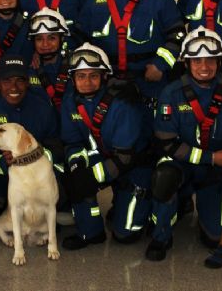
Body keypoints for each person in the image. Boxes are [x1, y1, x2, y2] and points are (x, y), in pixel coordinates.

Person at [144, 26, 222, 261]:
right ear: (186, 63)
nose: (204, 67)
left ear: (220, 62)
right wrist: (211, 157)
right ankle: (161, 236)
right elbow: (167, 145)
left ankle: (201, 208)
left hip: (216, 172)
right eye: (197, 60)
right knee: (164, 178)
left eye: (211, 60)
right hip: (180, 165)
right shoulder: (171, 94)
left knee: (215, 237)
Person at [60, 43, 154, 250]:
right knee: (76, 177)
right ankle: (91, 232)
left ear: (104, 77)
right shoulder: (70, 102)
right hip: (103, 158)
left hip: (134, 166)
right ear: (73, 78)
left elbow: (125, 157)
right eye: (81, 76)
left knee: (125, 234)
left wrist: (92, 177)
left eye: (93, 75)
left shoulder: (123, 103)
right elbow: (73, 141)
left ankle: (144, 207)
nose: (87, 82)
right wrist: (77, 166)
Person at [0, 54, 63, 236]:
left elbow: (57, 147)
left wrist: (35, 157)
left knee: (62, 188)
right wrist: (3, 163)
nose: (14, 87)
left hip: (35, 174)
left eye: (20, 81)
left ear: (28, 82)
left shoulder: (42, 108)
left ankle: (37, 215)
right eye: (7, 81)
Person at [27, 7, 72, 110]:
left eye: (52, 38)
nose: (45, 44)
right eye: (39, 39)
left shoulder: (75, 67)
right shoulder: (27, 69)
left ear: (62, 38)